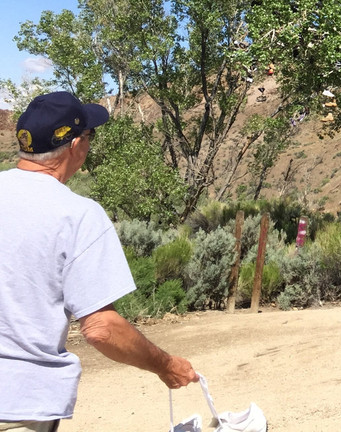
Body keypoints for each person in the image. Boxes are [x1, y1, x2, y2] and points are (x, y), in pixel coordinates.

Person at [1, 92, 198, 430]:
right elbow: (101, 330)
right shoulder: (78, 214)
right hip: (19, 402)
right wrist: (166, 365)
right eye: (89, 136)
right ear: (75, 145)